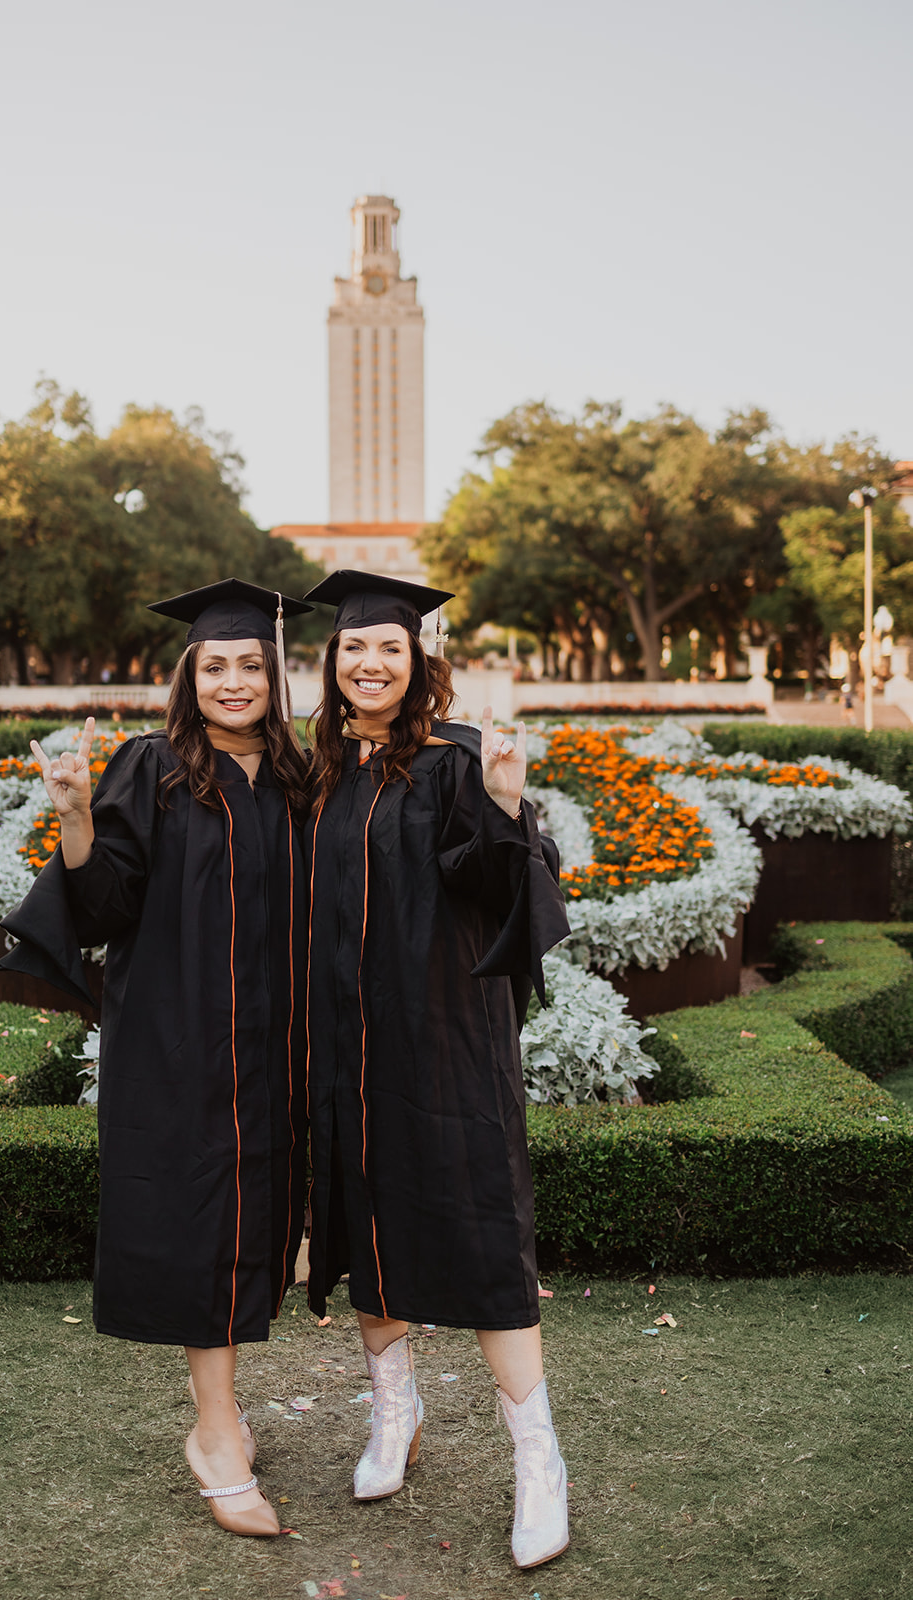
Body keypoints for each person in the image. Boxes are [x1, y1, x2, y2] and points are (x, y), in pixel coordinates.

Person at [0, 580, 312, 1539]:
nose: (232, 681)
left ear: (274, 674)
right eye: (214, 665)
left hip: (282, 1039)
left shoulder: (302, 778)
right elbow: (101, 910)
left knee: (263, 1221)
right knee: (197, 1219)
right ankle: (214, 1432)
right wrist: (77, 816)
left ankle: (241, 1413)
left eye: (249, 664)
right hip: (178, 1037)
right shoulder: (151, 768)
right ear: (189, 674)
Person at [302, 570, 572, 1571]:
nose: (368, 662)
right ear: (330, 664)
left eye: (388, 648)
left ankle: (536, 1458)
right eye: (351, 648)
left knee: (485, 1239)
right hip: (346, 1044)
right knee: (365, 1220)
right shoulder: (322, 770)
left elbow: (495, 882)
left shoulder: (458, 762)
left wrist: (506, 805)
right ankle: (393, 1411)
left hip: (447, 1043)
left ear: (418, 662)